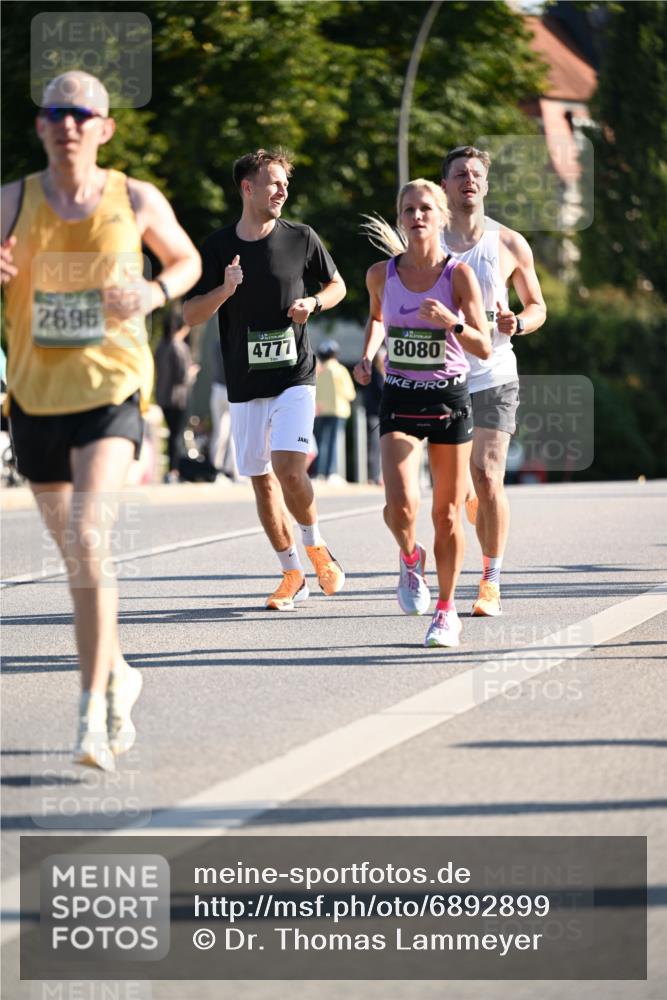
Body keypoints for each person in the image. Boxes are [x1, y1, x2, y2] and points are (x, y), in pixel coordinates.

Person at [0, 71, 201, 769]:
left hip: (113, 386)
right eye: (56, 112)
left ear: (105, 127)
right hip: (34, 395)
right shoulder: (11, 203)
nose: (69, 124)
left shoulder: (134, 197)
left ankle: (93, 713)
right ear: (40, 126)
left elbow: (188, 261)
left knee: (90, 531)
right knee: (78, 558)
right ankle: (118, 670)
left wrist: (152, 290)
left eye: (82, 113)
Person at [183, 148, 347, 610]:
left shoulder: (302, 237)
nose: (283, 191)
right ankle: (291, 572)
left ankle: (316, 544)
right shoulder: (217, 247)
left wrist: (314, 303)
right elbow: (191, 313)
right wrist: (225, 288)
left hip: (296, 374)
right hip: (244, 381)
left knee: (289, 467)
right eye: (273, 182)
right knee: (259, 478)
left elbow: (338, 286)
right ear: (247, 187)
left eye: (285, 184)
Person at [354, 179, 491, 647]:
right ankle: (411, 559)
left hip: (449, 400)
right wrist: (367, 354)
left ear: (442, 216)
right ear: (400, 217)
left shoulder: (458, 276)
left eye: (426, 208)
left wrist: (450, 322)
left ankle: (446, 611)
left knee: (448, 515)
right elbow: (376, 317)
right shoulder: (380, 274)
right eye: (409, 209)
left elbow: (485, 346)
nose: (417, 216)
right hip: (400, 396)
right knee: (400, 506)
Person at [441, 146, 547, 616]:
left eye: (476, 175)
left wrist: (517, 324)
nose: (468, 181)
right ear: (445, 185)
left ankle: (490, 581)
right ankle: (474, 503)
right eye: (459, 174)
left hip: (495, 373)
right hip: (444, 377)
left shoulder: (509, 244)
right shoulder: (427, 244)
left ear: (485, 186)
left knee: (487, 475)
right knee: (456, 489)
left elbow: (538, 306)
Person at [154, 311, 199, 482]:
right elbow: (182, 377)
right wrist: (192, 372)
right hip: (178, 398)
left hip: (162, 396)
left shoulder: (161, 345)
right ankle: (174, 471)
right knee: (176, 434)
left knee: (172, 434)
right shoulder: (179, 347)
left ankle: (170, 470)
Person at [313, 338, 356, 482]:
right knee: (333, 442)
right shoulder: (340, 370)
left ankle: (317, 473)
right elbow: (350, 394)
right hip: (338, 410)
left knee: (320, 443)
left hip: (319, 410)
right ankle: (331, 473)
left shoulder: (318, 371)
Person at [208, 333, 240, 481]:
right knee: (234, 432)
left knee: (220, 431)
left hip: (217, 389)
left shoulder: (216, 342)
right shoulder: (236, 341)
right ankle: (232, 470)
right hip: (230, 389)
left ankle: (215, 468)